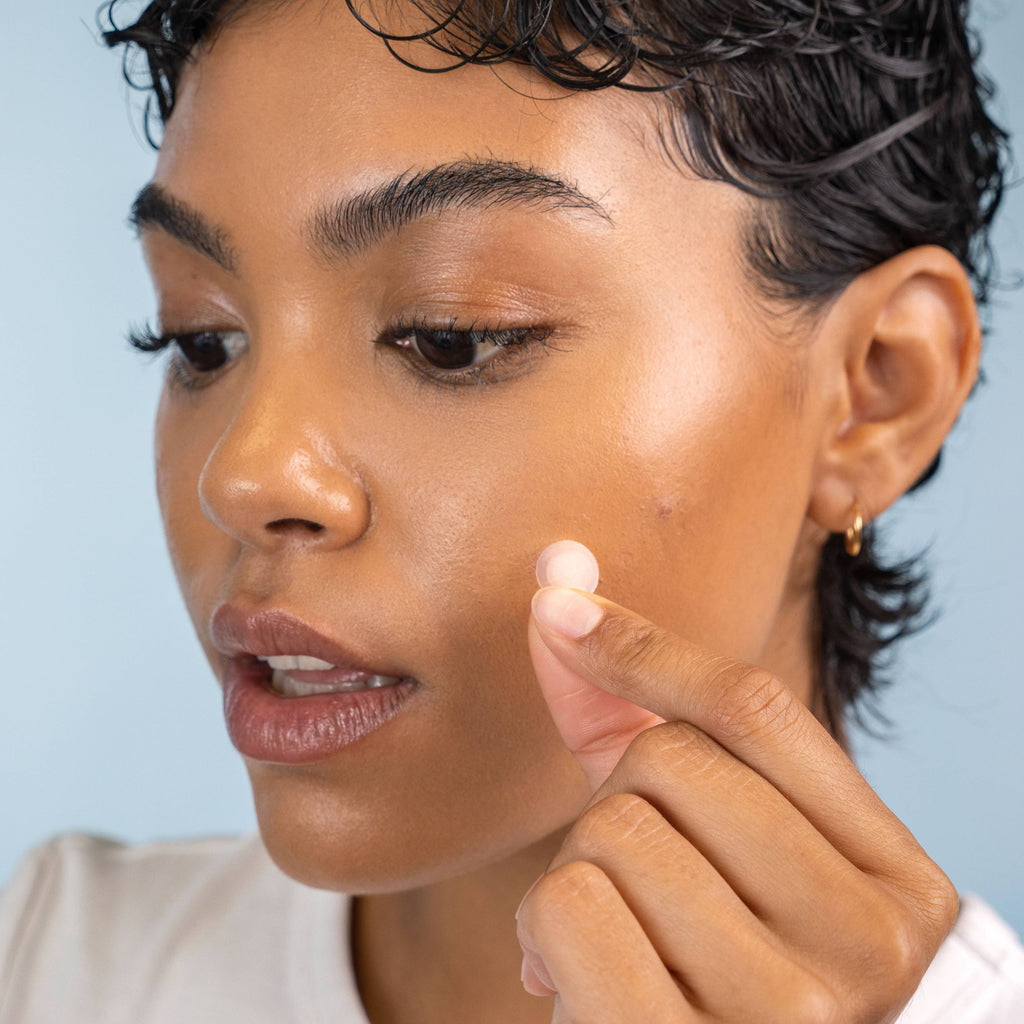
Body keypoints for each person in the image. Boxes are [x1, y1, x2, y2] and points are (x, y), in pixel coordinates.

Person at [1, 0, 1022, 1021]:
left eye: (451, 335)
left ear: (878, 393)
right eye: (202, 340)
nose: (244, 475)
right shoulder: (58, 963)